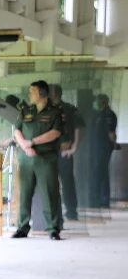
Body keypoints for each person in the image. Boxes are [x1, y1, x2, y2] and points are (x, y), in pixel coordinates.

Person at [12, 80, 65, 241]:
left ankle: (53, 229)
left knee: (50, 193)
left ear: (42, 93)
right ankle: (22, 227)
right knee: (24, 193)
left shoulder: (55, 112)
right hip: (26, 157)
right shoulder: (25, 110)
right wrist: (25, 145)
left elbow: (55, 133)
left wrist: (33, 142)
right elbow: (17, 130)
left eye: (32, 91)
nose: (30, 95)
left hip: (46, 158)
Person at [50, 84, 84, 222]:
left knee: (67, 181)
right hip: (48, 152)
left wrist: (75, 147)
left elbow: (79, 127)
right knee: (50, 182)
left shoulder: (69, 109)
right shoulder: (45, 109)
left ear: (56, 93)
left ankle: (71, 211)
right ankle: (54, 212)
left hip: (64, 151)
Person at [90, 94, 119, 208]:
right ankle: (98, 199)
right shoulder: (99, 114)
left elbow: (111, 133)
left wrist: (114, 143)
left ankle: (102, 200)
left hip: (104, 147)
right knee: (99, 172)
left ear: (104, 102)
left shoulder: (109, 115)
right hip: (97, 147)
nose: (96, 103)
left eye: (97, 101)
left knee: (100, 172)